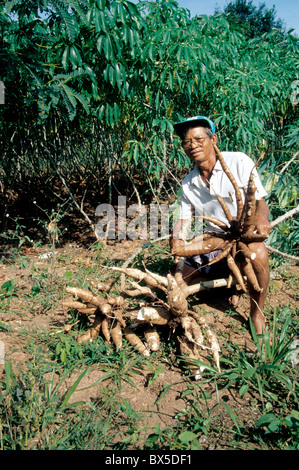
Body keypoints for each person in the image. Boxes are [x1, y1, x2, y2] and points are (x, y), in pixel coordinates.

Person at [170, 115, 271, 336]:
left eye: (198, 139)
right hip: (215, 239)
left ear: (213, 139)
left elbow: (260, 201)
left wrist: (262, 219)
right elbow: (184, 219)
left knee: (259, 255)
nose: (192, 146)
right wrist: (177, 238)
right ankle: (230, 283)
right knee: (180, 276)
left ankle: (257, 312)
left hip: (245, 236)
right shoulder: (189, 183)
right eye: (187, 142)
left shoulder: (239, 161)